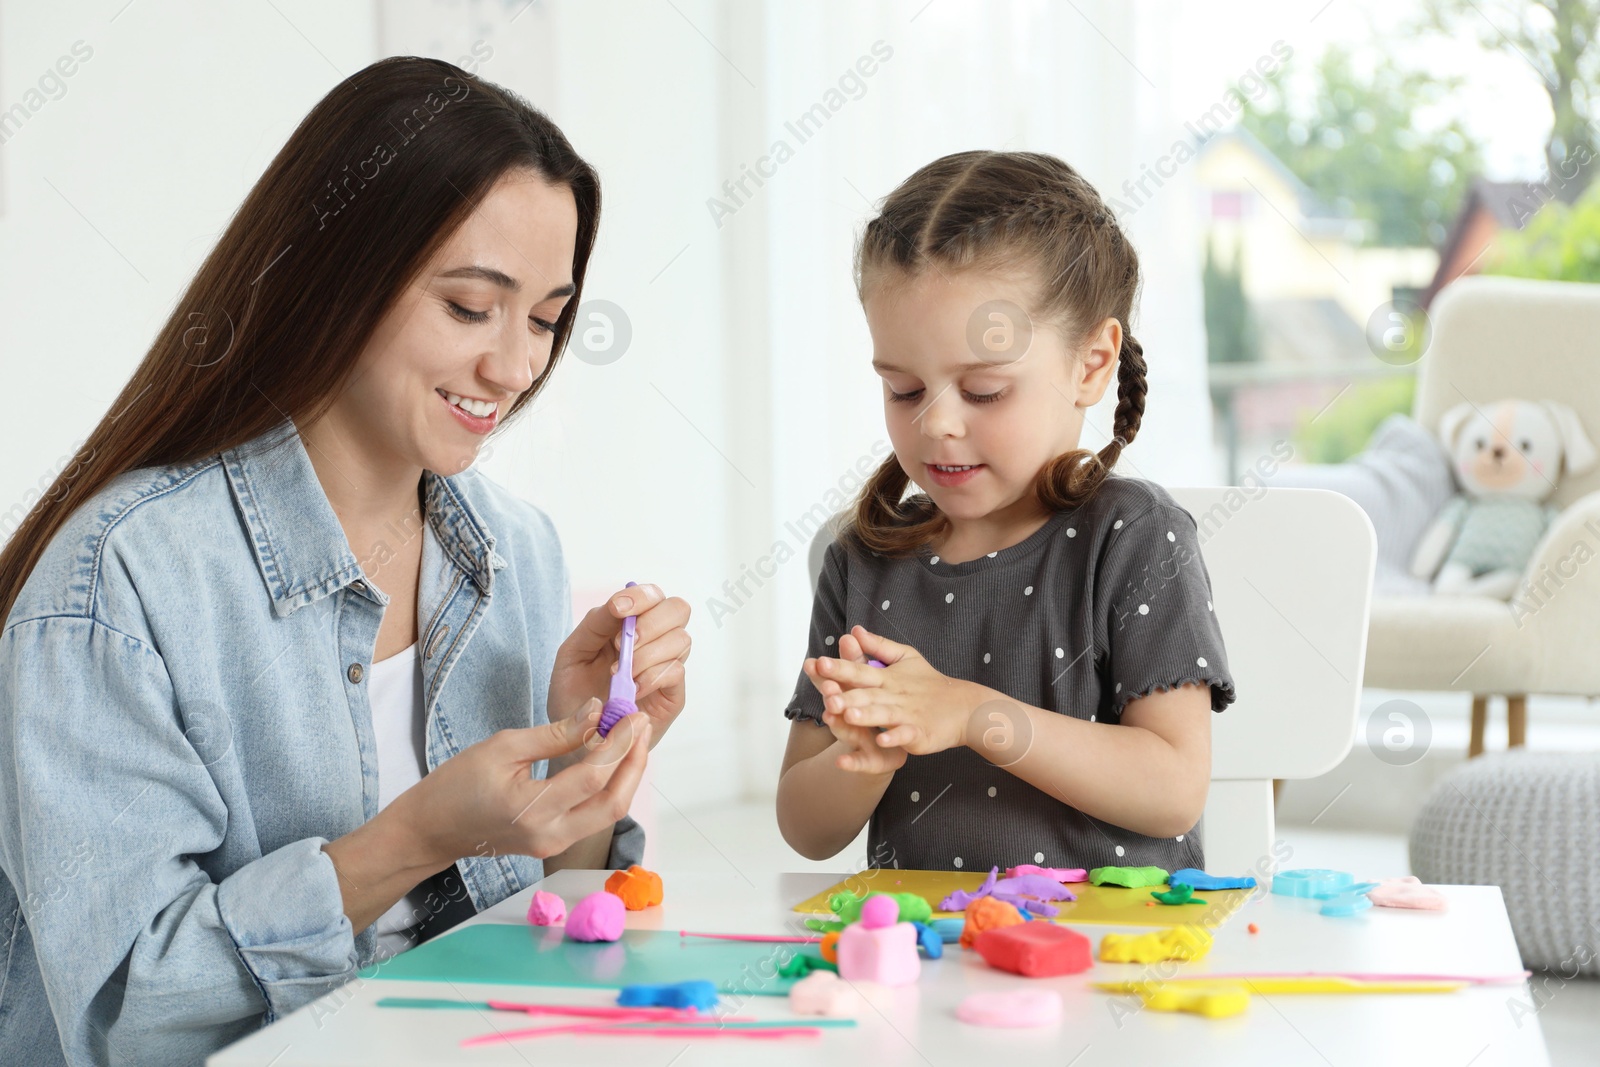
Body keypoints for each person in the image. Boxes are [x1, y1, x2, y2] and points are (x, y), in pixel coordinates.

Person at [0, 57, 689, 1066]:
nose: (514, 366)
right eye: (469, 307)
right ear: (340, 272)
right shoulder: (122, 580)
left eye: (544, 319)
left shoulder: (517, 550)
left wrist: (588, 779)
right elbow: (119, 1017)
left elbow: (548, 918)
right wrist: (413, 837)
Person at [777, 150, 1234, 874]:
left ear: (1089, 364)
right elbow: (805, 826)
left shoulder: (1135, 538)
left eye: (984, 391)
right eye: (902, 388)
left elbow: (1173, 787)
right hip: (926, 963)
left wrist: (970, 714)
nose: (936, 425)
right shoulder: (864, 559)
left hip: (1106, 958)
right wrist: (863, 757)